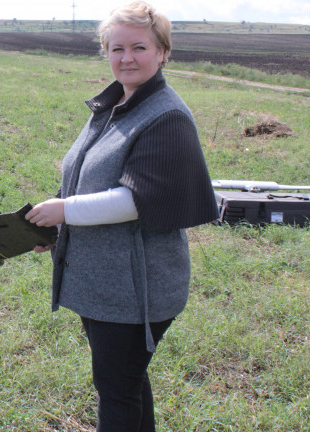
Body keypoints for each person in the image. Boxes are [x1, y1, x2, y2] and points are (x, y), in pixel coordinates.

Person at [24, 2, 218, 431]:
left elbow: (134, 200)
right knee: (125, 383)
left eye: (139, 47)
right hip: (105, 280)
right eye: (116, 49)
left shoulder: (166, 116)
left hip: (135, 288)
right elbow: (83, 174)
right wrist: (54, 224)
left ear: (162, 51)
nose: (126, 58)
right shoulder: (113, 106)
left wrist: (64, 211)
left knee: (116, 389)